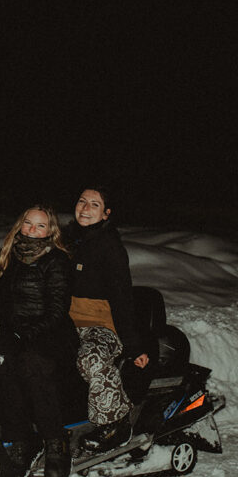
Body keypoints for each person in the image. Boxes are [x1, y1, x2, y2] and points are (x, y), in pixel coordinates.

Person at [0, 205, 77, 477]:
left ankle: (55, 441)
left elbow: (57, 312)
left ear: (51, 231)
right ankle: (19, 441)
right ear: (20, 224)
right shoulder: (10, 253)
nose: (33, 230)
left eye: (40, 226)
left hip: (51, 333)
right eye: (28, 223)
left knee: (32, 365)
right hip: (13, 331)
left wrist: (24, 334)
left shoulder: (57, 261)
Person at [64, 187, 149, 453]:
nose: (85, 208)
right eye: (82, 201)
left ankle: (116, 422)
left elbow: (122, 298)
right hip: (63, 323)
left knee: (93, 359)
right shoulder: (66, 240)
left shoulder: (110, 247)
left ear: (106, 213)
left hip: (99, 325)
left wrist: (133, 345)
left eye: (94, 204)